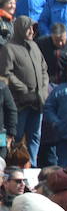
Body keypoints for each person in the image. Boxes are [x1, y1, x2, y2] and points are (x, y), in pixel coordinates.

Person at [1, 16, 48, 149]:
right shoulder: (9, 48)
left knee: (35, 136)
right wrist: (25, 90)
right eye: (29, 28)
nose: (32, 32)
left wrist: (43, 90)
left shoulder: (35, 46)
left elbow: (44, 68)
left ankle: (32, 165)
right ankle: (11, 163)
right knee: (15, 135)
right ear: (20, 28)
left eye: (33, 29)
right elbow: (5, 74)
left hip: (37, 102)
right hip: (19, 103)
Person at [37, 21, 67, 93]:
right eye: (56, 40)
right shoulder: (41, 44)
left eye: (62, 40)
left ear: (66, 35)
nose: (60, 43)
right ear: (51, 35)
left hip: (66, 84)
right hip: (46, 83)